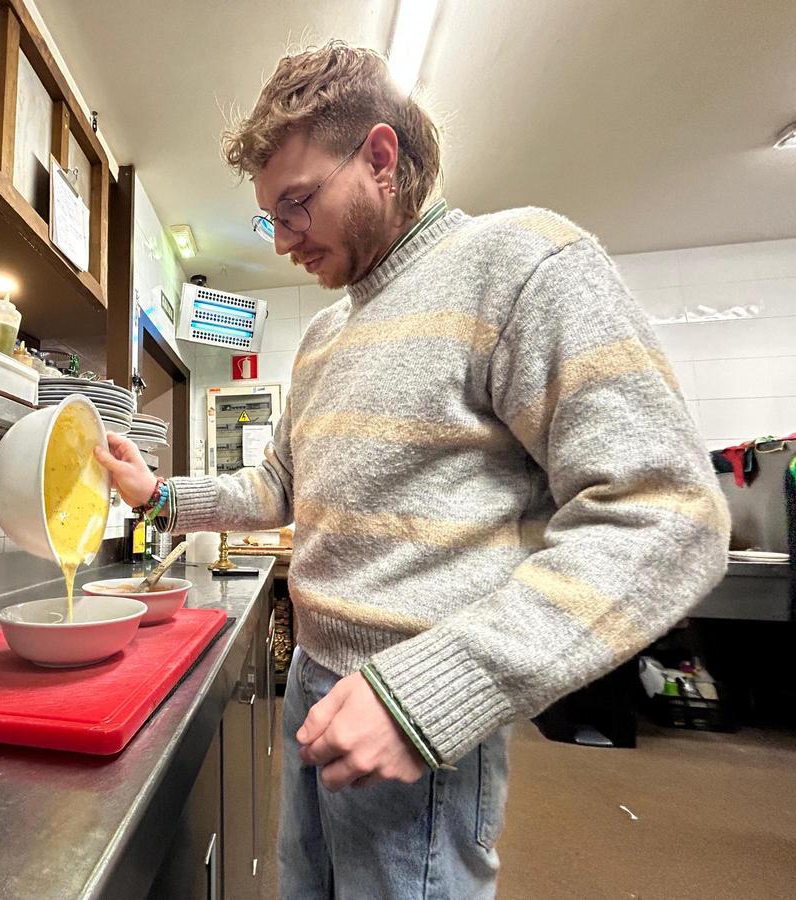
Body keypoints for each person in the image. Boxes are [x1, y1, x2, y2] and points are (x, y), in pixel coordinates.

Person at [96, 40, 729, 900]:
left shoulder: (522, 262)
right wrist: (162, 495)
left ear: (381, 158)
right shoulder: (324, 339)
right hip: (313, 687)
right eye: (269, 219)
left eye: (297, 205)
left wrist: (435, 692)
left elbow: (667, 510)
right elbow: (279, 487)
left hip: (420, 709)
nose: (283, 241)